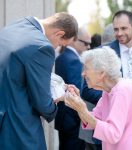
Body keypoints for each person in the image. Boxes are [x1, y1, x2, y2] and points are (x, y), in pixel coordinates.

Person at [0, 12, 78, 150]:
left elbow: (15, 71)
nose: (57, 48)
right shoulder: (42, 47)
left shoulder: (16, 25)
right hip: (19, 128)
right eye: (61, 44)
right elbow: (43, 104)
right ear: (59, 33)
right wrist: (60, 97)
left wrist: (59, 84)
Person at [82, 10, 132, 145]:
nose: (119, 33)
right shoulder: (103, 52)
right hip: (108, 129)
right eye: (116, 29)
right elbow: (86, 89)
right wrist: (114, 99)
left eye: (124, 28)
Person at [64, 47, 132, 150]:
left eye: (86, 68)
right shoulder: (109, 91)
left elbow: (112, 134)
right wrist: (77, 103)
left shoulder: (122, 91)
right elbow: (93, 119)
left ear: (102, 73)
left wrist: (82, 109)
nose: (83, 74)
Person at [55, 27, 91, 150]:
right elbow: (76, 92)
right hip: (72, 120)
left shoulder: (62, 57)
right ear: (74, 40)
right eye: (86, 43)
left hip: (64, 118)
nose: (88, 47)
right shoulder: (74, 60)